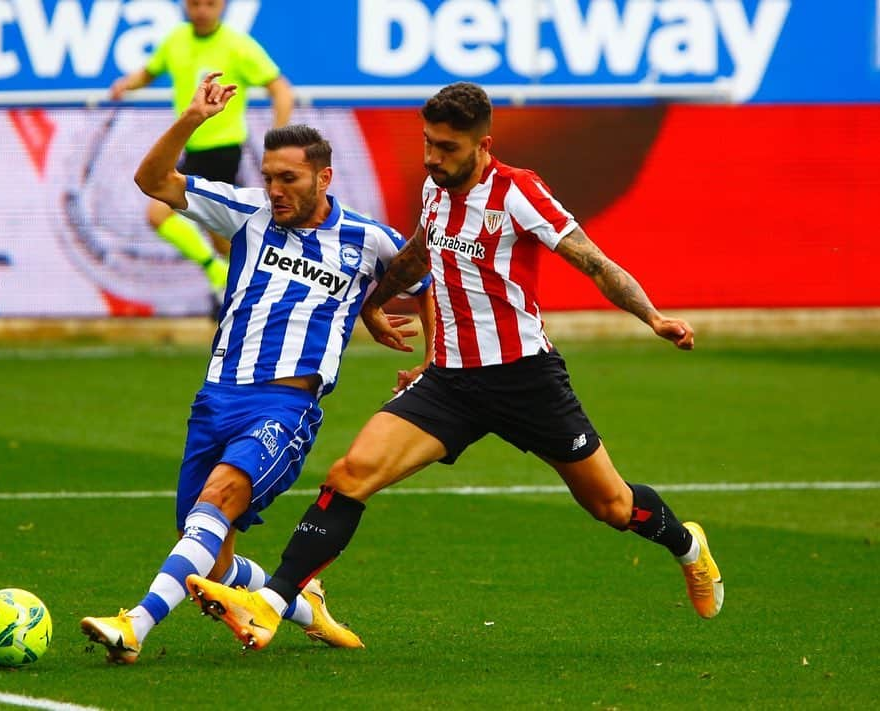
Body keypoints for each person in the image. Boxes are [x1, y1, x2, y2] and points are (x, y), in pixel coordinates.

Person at [185, 82, 724, 651]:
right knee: (350, 475)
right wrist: (372, 303)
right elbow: (420, 251)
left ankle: (688, 547)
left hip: (525, 379)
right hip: (449, 383)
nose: (431, 157)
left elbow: (592, 260)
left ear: (482, 145)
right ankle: (270, 604)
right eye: (427, 143)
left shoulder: (520, 193)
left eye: (445, 147)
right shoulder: (435, 189)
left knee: (611, 505)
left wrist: (654, 316)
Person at [80, 72, 432, 663]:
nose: (275, 190)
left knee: (217, 501)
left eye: (288, 179)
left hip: (285, 406)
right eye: (268, 177)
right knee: (207, 552)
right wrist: (193, 118)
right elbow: (151, 181)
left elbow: (422, 281)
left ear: (323, 177)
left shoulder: (366, 238)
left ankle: (134, 625)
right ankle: (300, 603)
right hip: (216, 396)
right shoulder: (246, 213)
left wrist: (424, 354)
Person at [108, 0, 294, 307]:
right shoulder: (176, 40)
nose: (202, 10)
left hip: (222, 152)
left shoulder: (237, 45)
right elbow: (148, 72)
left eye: (210, 4)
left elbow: (280, 88)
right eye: (195, 3)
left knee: (161, 214)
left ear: (222, 6)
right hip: (191, 151)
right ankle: (257, 288)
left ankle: (231, 279)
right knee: (222, 239)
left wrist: (278, 142)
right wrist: (126, 84)